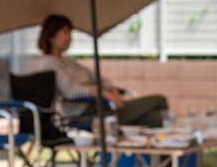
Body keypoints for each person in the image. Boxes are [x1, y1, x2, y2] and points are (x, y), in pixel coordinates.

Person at [36, 14, 169, 129]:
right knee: (160, 103)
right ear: (51, 36)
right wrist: (104, 94)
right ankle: (163, 157)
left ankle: (162, 158)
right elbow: (70, 91)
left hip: (102, 108)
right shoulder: (50, 64)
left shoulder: (69, 62)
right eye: (65, 32)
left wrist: (112, 91)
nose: (70, 37)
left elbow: (98, 79)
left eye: (70, 33)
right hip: (85, 115)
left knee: (159, 119)